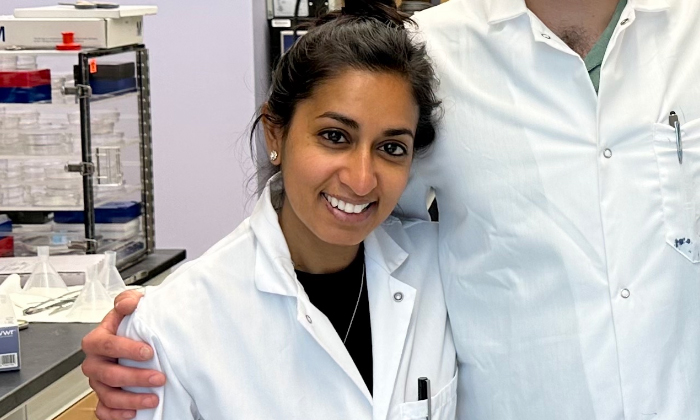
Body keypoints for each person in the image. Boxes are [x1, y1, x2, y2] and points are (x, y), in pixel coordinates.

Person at [84, 0, 700, 419]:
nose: (362, 167)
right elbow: (335, 212)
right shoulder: (434, 51)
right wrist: (167, 324)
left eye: (392, 147)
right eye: (335, 135)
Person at [87, 1, 459, 419]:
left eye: (391, 148)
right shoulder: (175, 324)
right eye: (335, 136)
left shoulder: (444, 271)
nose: (361, 180)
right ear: (275, 133)